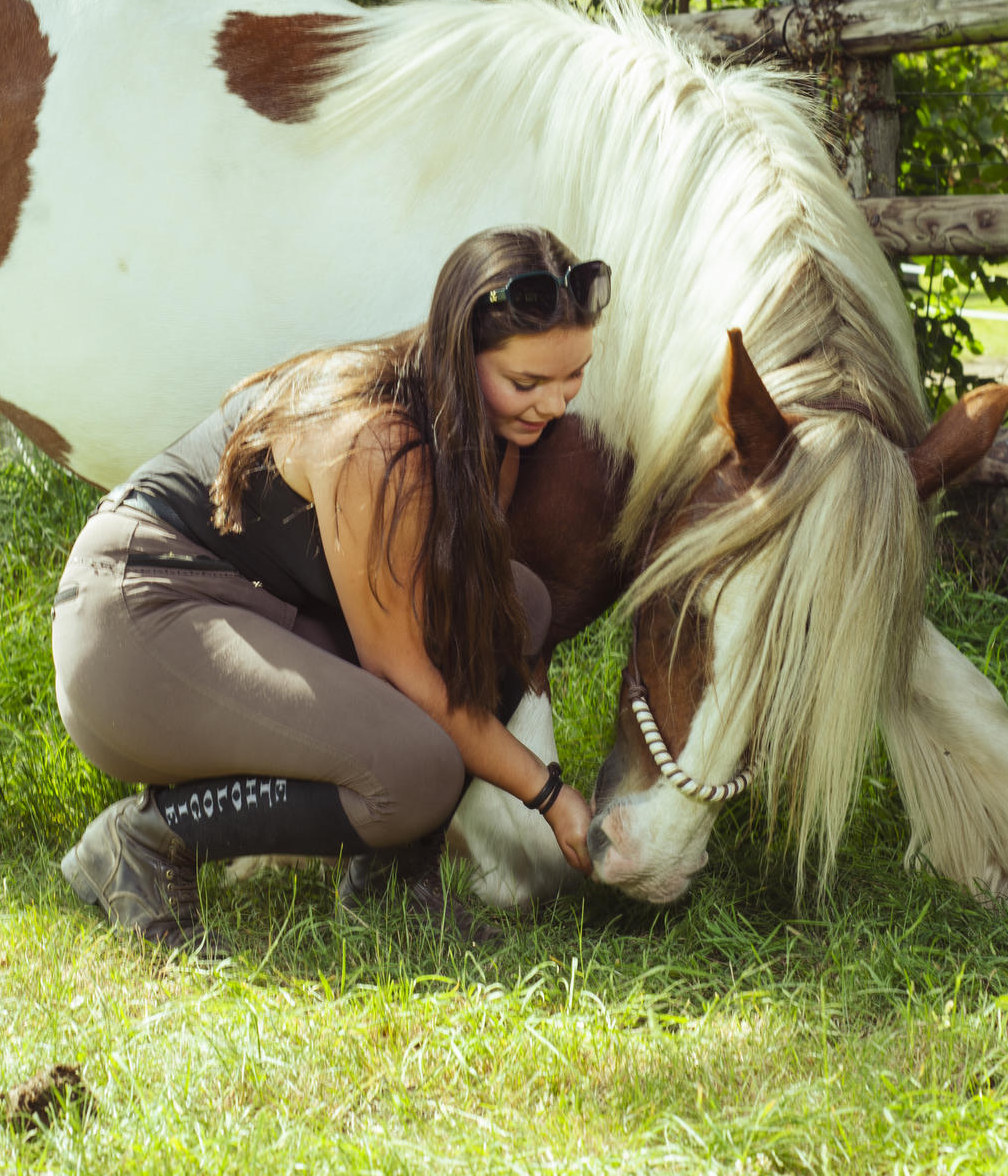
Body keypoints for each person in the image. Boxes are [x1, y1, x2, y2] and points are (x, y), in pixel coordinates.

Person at [51, 226, 608, 951]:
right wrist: (550, 793)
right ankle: (144, 841)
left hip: (254, 604)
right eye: (527, 382)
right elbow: (407, 674)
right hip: (136, 616)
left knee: (515, 602)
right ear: (459, 349)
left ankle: (395, 878)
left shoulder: (485, 419)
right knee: (417, 768)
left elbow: (465, 619)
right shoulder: (376, 439)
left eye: (573, 377)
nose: (554, 406)